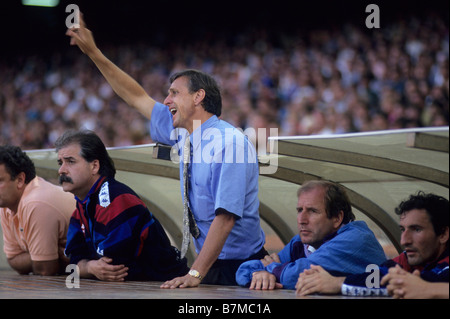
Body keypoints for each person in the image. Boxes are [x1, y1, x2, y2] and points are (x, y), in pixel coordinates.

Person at [66, 14, 267, 287]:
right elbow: (136, 97)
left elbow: (225, 219)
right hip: (209, 267)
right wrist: (93, 52)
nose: (166, 100)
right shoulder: (183, 133)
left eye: (174, 93)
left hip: (241, 270)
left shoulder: (229, 143)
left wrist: (194, 274)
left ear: (199, 97)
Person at [56, 130, 189, 281]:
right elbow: (73, 262)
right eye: (60, 163)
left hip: (169, 288)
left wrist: (86, 266)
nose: (61, 170)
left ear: (94, 166)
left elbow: (112, 267)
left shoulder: (115, 198)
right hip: (139, 288)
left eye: (70, 161)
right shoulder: (82, 206)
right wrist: (90, 267)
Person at [235, 180, 387, 290]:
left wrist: (272, 269)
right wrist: (258, 273)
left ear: (337, 218)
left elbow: (299, 275)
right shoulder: (302, 241)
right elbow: (243, 271)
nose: (302, 220)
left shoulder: (356, 239)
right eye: (299, 210)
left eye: (312, 211)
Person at [296, 192, 449, 298]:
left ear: (443, 234)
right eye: (403, 229)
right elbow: (376, 277)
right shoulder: (407, 259)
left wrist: (337, 284)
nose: (404, 240)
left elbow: (427, 282)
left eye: (416, 229)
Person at [0, 145, 75, 276]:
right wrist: (41, 255)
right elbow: (13, 260)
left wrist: (38, 257)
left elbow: (45, 270)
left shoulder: (36, 202)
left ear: (20, 180)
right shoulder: (6, 205)